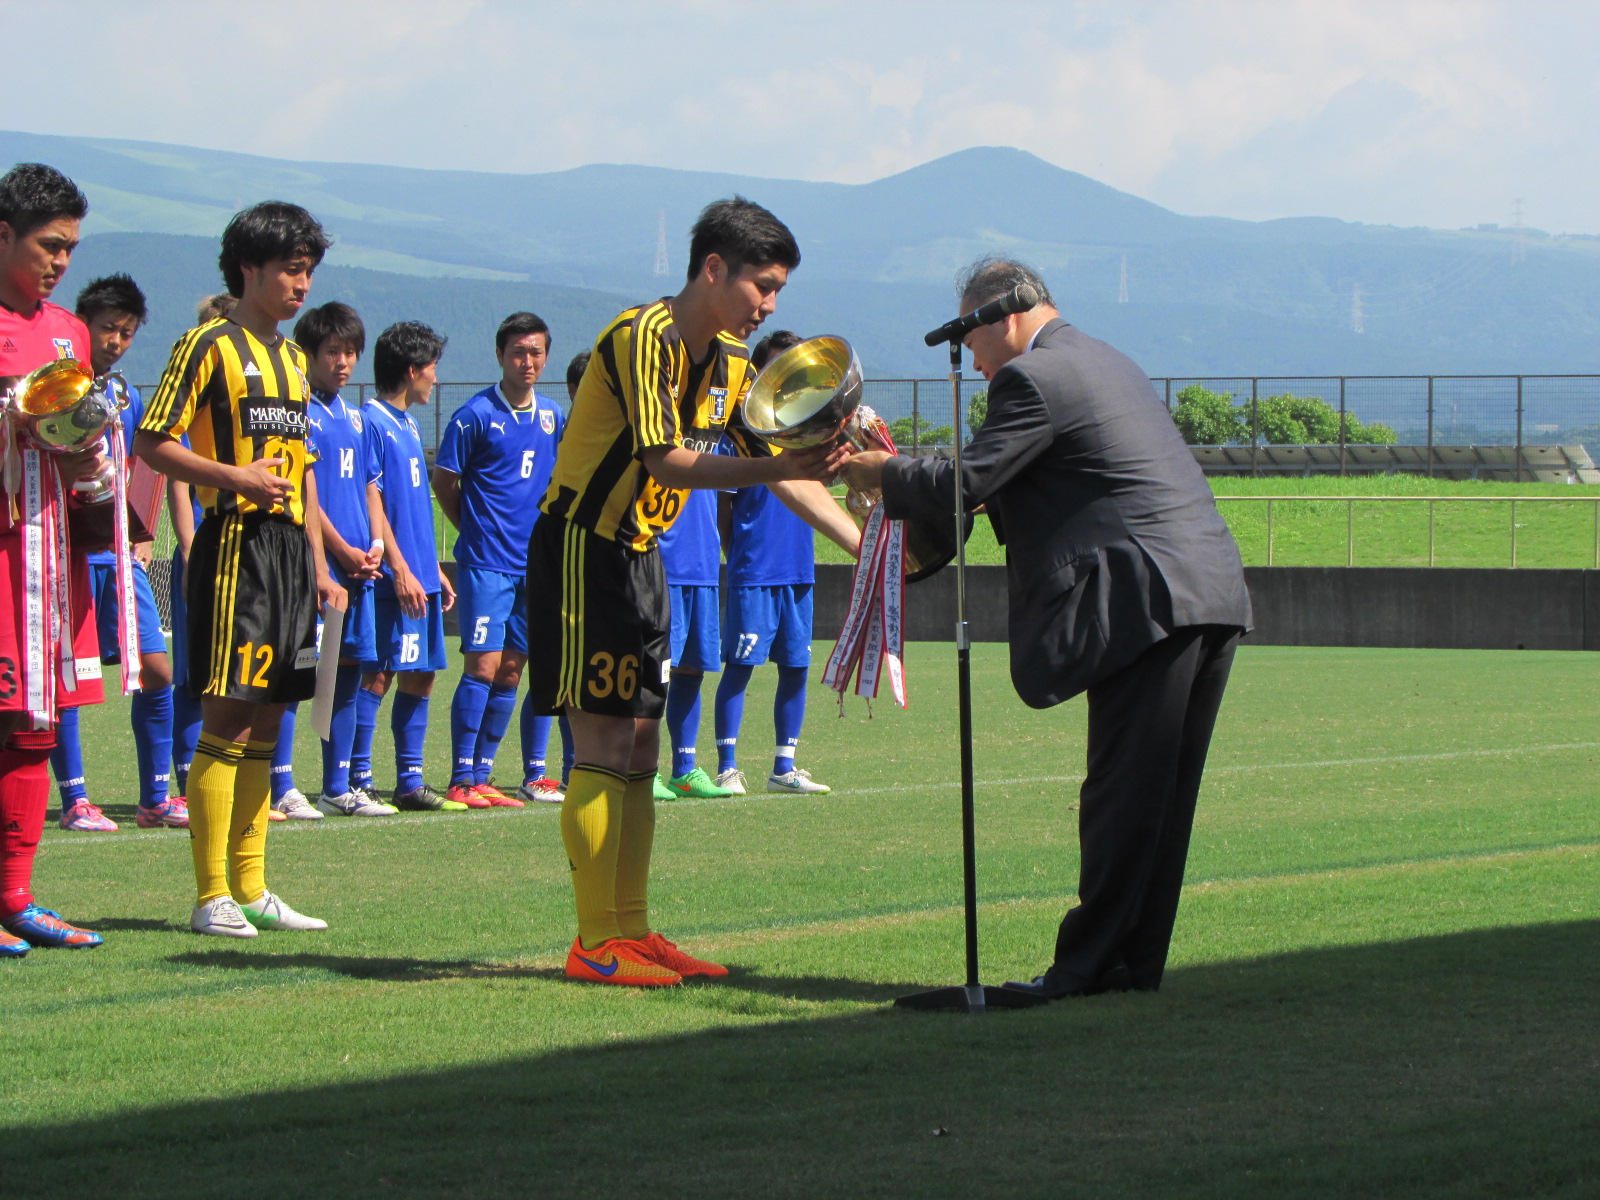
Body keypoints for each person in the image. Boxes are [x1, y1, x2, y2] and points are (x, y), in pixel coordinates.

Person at [839, 257, 1253, 999]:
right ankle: (1128, 964)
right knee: (1159, 798)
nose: (972, 361)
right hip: (1208, 591)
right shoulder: (1106, 360)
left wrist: (882, 474)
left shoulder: (1033, 378)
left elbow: (970, 479)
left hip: (1150, 600)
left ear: (1000, 316)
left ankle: (1084, 968)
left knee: (1123, 793)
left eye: (972, 341)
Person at [526, 197, 858, 987]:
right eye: (762, 286)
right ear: (714, 269)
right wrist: (780, 464)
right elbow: (666, 461)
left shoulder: (735, 363)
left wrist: (862, 542)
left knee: (643, 745)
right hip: (582, 548)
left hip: (642, 557)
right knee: (603, 743)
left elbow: (783, 470)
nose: (769, 305)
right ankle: (594, 944)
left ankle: (632, 931)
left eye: (777, 290)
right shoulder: (641, 337)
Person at [134, 200, 345, 938]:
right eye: (291, 269)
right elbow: (152, 441)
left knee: (270, 716)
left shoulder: (293, 360)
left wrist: (319, 565)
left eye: (309, 270)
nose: (302, 284)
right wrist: (235, 477)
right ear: (249, 269)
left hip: (289, 554)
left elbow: (303, 472)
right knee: (227, 712)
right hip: (236, 546)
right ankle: (211, 894)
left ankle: (252, 887)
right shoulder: (206, 346)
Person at [0, 162, 108, 955]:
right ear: (4, 235)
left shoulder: (70, 333)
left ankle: (16, 897)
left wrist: (89, 457)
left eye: (69, 247)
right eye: (48, 245)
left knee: (35, 723)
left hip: (43, 556)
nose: (60, 261)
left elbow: (79, 442)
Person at [49, 273, 192, 832]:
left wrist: (142, 531)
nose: (116, 341)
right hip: (67, 554)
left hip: (119, 554)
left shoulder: (125, 395)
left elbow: (142, 464)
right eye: (108, 328)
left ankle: (155, 798)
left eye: (127, 332)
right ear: (81, 326)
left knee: (157, 669)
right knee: (70, 675)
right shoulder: (54, 388)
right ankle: (75, 800)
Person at [434, 312, 566, 808]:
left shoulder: (552, 416)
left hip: (535, 565)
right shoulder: (474, 415)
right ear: (500, 355)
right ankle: (460, 777)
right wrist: (472, 528)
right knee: (484, 666)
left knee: (512, 670)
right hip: (487, 561)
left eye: (535, 352)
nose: (527, 361)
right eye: (518, 352)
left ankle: (484, 774)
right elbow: (445, 482)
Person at [712, 329, 831, 796]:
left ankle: (785, 767)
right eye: (777, 368)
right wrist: (738, 554)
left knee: (796, 668)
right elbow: (723, 507)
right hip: (754, 571)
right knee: (740, 667)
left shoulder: (806, 435)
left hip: (798, 570)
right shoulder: (738, 436)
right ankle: (727, 767)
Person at [357, 321, 463, 813]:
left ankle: (410, 781)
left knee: (421, 674)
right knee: (377, 675)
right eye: (432, 368)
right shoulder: (371, 422)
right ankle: (357, 777)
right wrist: (399, 568)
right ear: (412, 369)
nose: (435, 379)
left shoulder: (410, 424)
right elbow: (373, 501)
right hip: (391, 579)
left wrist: (430, 568)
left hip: (420, 574)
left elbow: (412, 506)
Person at [295, 301, 390, 818]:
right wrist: (340, 550)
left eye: (351, 352)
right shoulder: (299, 412)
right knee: (300, 672)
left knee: (350, 671)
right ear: (309, 353)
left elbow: (371, 487)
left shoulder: (355, 417)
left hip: (360, 569)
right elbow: (305, 494)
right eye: (333, 351)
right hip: (321, 566)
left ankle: (337, 787)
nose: (343, 362)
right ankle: (282, 784)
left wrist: (375, 543)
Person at [656, 460, 733, 801]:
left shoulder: (717, 435)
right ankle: (643, 769)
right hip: (662, 565)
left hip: (703, 565)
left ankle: (684, 770)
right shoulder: (657, 433)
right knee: (654, 672)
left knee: (691, 668)